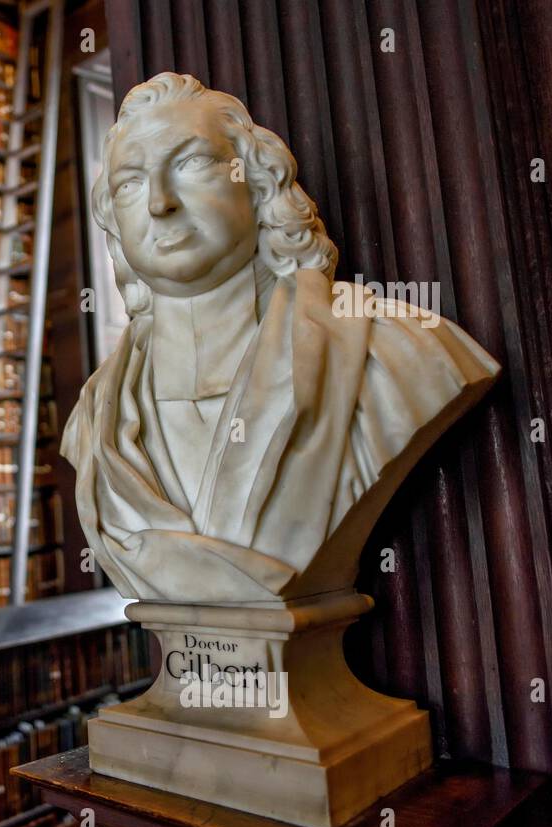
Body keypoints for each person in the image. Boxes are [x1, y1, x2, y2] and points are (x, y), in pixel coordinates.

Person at [63, 73, 500, 604]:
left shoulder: (395, 355)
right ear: (111, 222)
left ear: (259, 184)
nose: (159, 202)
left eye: (191, 163)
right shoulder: (94, 417)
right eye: (129, 182)